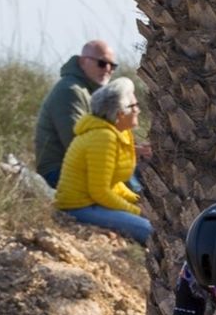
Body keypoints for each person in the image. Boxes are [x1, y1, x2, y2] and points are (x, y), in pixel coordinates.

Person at [54, 78, 151, 245]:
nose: (138, 110)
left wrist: (137, 200)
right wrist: (136, 211)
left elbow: (113, 183)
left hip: (95, 202)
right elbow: (100, 192)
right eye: (134, 106)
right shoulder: (104, 138)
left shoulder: (120, 133)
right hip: (79, 207)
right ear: (120, 113)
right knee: (151, 231)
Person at [34, 41, 118, 187]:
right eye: (102, 63)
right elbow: (76, 143)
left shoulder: (90, 91)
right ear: (83, 61)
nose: (108, 69)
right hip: (58, 172)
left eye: (113, 66)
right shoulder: (71, 90)